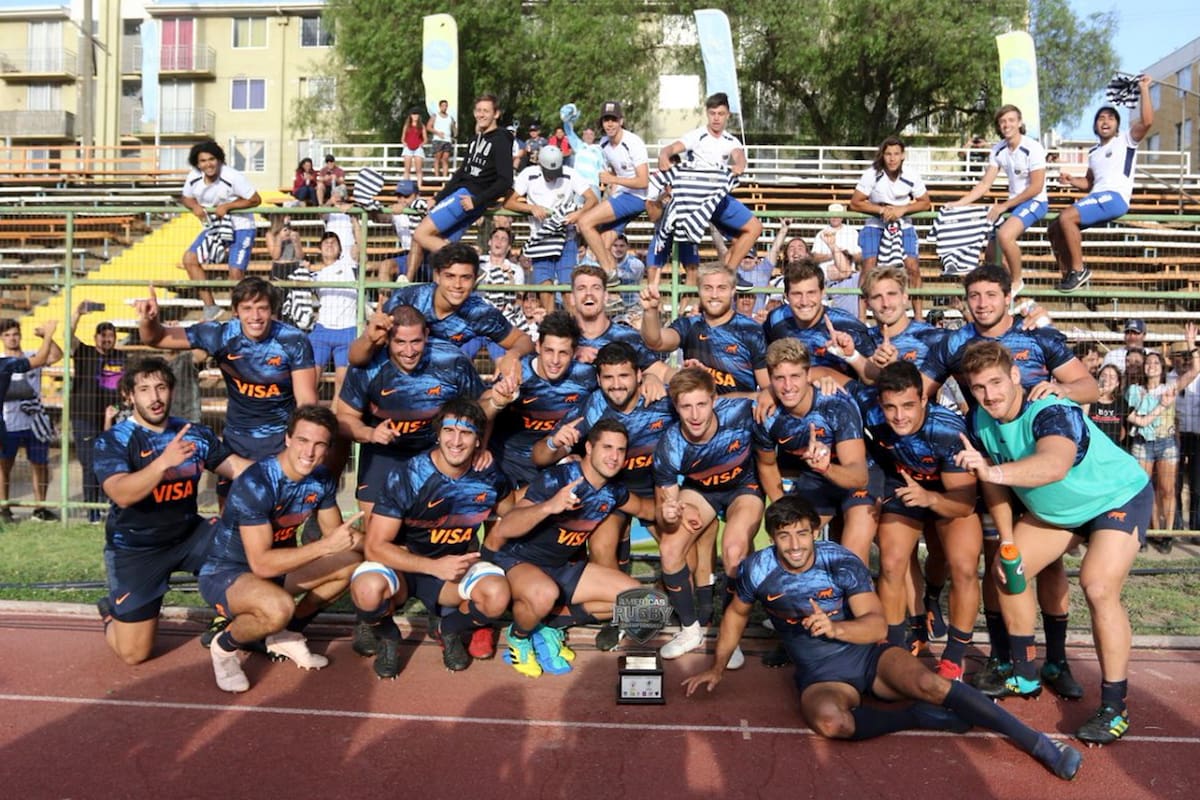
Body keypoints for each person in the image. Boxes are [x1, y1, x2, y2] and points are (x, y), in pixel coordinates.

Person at [681, 494, 1083, 781]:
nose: (795, 545)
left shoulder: (840, 560)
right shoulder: (757, 567)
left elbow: (875, 623)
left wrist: (836, 628)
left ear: (815, 531)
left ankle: (1042, 746)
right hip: (822, 676)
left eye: (802, 534)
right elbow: (735, 613)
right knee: (830, 723)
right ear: (772, 537)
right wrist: (717, 666)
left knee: (932, 682)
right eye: (784, 536)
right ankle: (913, 716)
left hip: (868, 658)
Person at [957, 340, 1150, 745]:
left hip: (1115, 497)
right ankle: (1024, 673)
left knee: (1097, 586)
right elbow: (992, 486)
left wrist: (992, 474)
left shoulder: (1051, 409)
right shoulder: (980, 419)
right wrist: (1008, 540)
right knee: (1008, 570)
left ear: (1015, 376)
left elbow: (1054, 464)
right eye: (979, 387)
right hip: (1058, 512)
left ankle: (1115, 705)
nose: (990, 394)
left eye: (996, 382)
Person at [920, 264, 1096, 700]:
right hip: (990, 459)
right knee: (998, 553)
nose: (982, 303)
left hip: (1040, 465)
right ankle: (1004, 657)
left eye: (990, 294)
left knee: (1051, 566)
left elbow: (1088, 386)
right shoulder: (954, 343)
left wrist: (1057, 389)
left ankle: (1056, 659)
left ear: (1007, 297)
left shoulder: (1039, 336)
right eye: (974, 295)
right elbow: (921, 391)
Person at [92, 358, 251, 664]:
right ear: (129, 396)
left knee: (251, 545)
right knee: (134, 655)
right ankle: (111, 614)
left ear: (172, 391)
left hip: (189, 536)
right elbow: (121, 494)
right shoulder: (114, 440)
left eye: (161, 387)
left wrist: (288, 473)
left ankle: (232, 620)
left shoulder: (195, 433)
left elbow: (241, 470)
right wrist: (163, 462)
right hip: (136, 549)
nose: (155, 397)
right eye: (145, 389)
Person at [198, 405, 364, 693]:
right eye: (302, 440)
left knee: (351, 562)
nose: (309, 452)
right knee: (278, 607)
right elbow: (261, 564)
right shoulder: (257, 482)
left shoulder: (321, 478)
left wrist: (393, 549)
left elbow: (336, 534)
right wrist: (326, 546)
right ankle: (224, 647)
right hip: (228, 574)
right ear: (287, 439)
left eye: (319, 444)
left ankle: (284, 634)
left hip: (277, 572)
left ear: (327, 449)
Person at [352, 398, 514, 677]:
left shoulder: (489, 475)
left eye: (466, 433)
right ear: (437, 434)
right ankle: (388, 635)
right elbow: (375, 546)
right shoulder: (409, 474)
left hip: (451, 573)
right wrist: (433, 566)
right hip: (403, 568)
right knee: (367, 588)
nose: (456, 440)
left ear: (478, 441)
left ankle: (447, 630)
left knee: (497, 594)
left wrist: (489, 552)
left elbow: (509, 516)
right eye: (449, 431)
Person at [485, 418, 650, 677]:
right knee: (543, 593)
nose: (614, 457)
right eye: (607, 447)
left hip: (560, 568)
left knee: (638, 601)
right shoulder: (557, 478)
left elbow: (646, 509)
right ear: (589, 449)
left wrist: (676, 509)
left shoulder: (614, 490)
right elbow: (506, 526)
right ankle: (519, 637)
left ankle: (548, 623)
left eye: (620, 450)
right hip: (519, 562)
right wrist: (550, 506)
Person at [138, 277, 318, 499]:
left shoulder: (293, 340)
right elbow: (157, 338)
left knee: (276, 518)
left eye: (262, 308)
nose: (255, 316)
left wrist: (298, 443)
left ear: (272, 310)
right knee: (230, 516)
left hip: (279, 440)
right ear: (236, 311)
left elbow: (307, 402)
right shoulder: (220, 335)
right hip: (236, 441)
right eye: (247, 308)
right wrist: (149, 320)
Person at [866, 361, 982, 680]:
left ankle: (953, 658)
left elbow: (963, 503)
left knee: (962, 566)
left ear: (924, 400)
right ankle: (891, 647)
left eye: (907, 405)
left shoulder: (949, 429)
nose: (899, 416)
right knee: (891, 562)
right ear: (880, 404)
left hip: (950, 492)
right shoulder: (871, 416)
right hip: (903, 486)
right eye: (890, 407)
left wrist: (930, 498)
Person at [654, 368, 763, 663]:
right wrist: (669, 512)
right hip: (701, 490)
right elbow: (668, 509)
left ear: (714, 400)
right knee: (669, 547)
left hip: (744, 486)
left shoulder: (739, 411)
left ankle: (730, 634)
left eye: (701, 404)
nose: (695, 414)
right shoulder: (669, 444)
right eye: (686, 406)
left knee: (734, 550)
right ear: (675, 407)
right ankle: (690, 630)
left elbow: (770, 396)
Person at [338, 304, 484, 522]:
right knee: (375, 535)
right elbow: (343, 418)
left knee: (439, 533)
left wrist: (482, 447)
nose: (409, 351)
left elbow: (480, 409)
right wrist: (370, 434)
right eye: (400, 342)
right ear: (387, 339)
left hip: (435, 453)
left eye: (416, 341)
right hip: (384, 453)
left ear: (426, 335)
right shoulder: (367, 367)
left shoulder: (452, 361)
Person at [362, 242, 534, 380]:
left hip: (444, 384)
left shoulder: (479, 312)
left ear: (475, 279)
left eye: (465, 277)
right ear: (437, 276)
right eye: (450, 276)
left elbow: (523, 340)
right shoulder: (408, 299)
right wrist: (368, 340)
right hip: (396, 381)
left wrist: (513, 355)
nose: (457, 285)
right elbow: (358, 355)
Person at [1050, 75, 1154, 292]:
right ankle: (1068, 273)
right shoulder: (1093, 152)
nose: (1105, 121)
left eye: (1110, 118)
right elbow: (1089, 183)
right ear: (1095, 126)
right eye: (1100, 118)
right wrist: (1070, 180)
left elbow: (1147, 122)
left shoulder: (1126, 140)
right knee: (1054, 228)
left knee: (1067, 217)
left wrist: (1144, 88)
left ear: (1117, 125)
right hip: (1097, 195)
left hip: (1115, 197)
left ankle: (1079, 271)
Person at [650, 92, 763, 277]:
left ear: (727, 115)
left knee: (743, 237)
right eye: (712, 113)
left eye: (720, 113)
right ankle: (729, 276)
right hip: (694, 200)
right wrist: (663, 155)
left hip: (716, 198)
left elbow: (739, 156)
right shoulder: (697, 136)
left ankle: (725, 276)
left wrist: (740, 165)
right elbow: (671, 148)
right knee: (754, 228)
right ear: (707, 114)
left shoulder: (731, 141)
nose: (716, 118)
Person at [486, 311, 597, 489]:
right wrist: (482, 450)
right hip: (509, 464)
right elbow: (486, 414)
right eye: (549, 350)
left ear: (574, 352)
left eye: (563, 353)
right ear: (538, 347)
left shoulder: (586, 377)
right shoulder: (518, 373)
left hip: (553, 462)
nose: (554, 360)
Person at [947, 105, 1048, 295]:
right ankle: (1007, 293)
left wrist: (1004, 205)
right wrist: (959, 203)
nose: (1006, 125)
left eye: (1011, 120)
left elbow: (1036, 187)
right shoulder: (998, 149)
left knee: (1005, 236)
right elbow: (985, 184)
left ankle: (1017, 281)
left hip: (1035, 201)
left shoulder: (1032, 147)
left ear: (1019, 123)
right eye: (1002, 121)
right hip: (1014, 203)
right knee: (991, 255)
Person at [411, 94, 514, 271]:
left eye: (486, 111)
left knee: (421, 234)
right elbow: (461, 172)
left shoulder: (501, 138)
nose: (481, 114)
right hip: (464, 197)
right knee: (442, 249)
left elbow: (505, 180)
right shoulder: (475, 139)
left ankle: (470, 264)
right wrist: (438, 197)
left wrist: (477, 200)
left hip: (469, 198)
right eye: (479, 110)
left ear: (496, 114)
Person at [641, 262, 767, 395]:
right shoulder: (689, 325)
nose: (714, 295)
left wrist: (726, 401)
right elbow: (656, 342)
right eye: (707, 288)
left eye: (721, 288)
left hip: (738, 413)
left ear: (733, 291)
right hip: (695, 412)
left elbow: (766, 389)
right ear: (699, 290)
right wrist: (650, 310)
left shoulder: (751, 330)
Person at [504, 144, 598, 313]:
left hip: (566, 238)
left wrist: (579, 213)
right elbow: (509, 201)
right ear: (540, 166)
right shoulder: (528, 175)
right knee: (545, 289)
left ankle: (574, 330)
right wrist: (531, 208)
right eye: (549, 173)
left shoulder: (569, 173)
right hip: (541, 238)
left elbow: (591, 199)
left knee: (567, 290)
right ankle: (551, 329)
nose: (553, 177)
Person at [179, 141, 262, 321]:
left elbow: (255, 199)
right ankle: (210, 308)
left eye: (212, 159)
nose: (208, 164)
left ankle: (238, 317)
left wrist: (229, 206)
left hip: (241, 228)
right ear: (197, 163)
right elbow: (186, 197)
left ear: (219, 160)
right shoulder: (193, 177)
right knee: (189, 259)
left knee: (235, 274)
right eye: (203, 161)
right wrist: (194, 206)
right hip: (215, 227)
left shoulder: (233, 176)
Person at [850, 137, 931, 318]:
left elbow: (926, 202)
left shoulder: (911, 174)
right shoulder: (872, 174)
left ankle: (918, 317)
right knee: (868, 266)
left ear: (903, 155)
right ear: (883, 155)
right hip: (875, 224)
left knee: (913, 267)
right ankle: (861, 318)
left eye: (896, 154)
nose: (892, 158)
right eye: (888, 154)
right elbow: (855, 203)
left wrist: (903, 209)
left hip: (903, 225)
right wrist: (881, 210)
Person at [575, 101, 652, 281]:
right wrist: (610, 184)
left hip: (637, 196)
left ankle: (610, 272)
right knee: (600, 245)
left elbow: (643, 181)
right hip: (622, 195)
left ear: (621, 121)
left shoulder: (633, 142)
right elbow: (614, 170)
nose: (609, 124)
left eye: (613, 120)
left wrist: (613, 179)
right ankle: (614, 293)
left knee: (585, 222)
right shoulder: (603, 144)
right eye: (606, 120)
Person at [762, 259, 873, 380]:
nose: (804, 302)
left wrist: (852, 357)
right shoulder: (776, 318)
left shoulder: (847, 325)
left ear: (822, 293)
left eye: (811, 293)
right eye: (797, 294)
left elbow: (871, 379)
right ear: (786, 295)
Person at [68, 304, 126, 524]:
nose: (106, 340)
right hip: (84, 418)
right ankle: (92, 512)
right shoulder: (84, 352)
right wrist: (78, 314)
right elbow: (68, 336)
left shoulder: (121, 357)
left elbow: (124, 387)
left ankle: (108, 506)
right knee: (89, 464)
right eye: (103, 336)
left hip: (112, 420)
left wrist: (118, 411)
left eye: (110, 336)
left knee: (111, 463)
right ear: (95, 338)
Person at [0, 320, 62, 522]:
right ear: (2, 338)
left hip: (35, 423)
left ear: (21, 335)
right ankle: (4, 508)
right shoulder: (2, 362)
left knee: (40, 465)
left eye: (15, 334)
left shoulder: (31, 355)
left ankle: (40, 508)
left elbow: (56, 356)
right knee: (4, 467)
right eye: (7, 335)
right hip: (9, 423)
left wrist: (46, 336)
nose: (12, 338)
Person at [1126, 350, 1185, 552]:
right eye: (1148, 362)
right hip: (1142, 443)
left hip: (1166, 442)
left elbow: (1194, 372)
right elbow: (1132, 416)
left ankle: (1167, 534)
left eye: (1156, 363)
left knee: (1167, 490)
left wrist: (1191, 346)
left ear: (1162, 368)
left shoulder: (1169, 388)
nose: (1151, 365)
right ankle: (1148, 531)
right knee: (1145, 490)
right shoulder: (1135, 390)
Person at [309, 231, 359, 410]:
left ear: (340, 249)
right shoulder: (316, 275)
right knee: (310, 380)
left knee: (342, 382)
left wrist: (354, 220)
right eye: (325, 242)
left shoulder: (348, 265)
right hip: (322, 330)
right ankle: (308, 419)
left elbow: (360, 247)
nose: (329, 245)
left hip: (347, 330)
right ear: (320, 249)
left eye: (333, 242)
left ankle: (334, 422)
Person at [810, 204, 861, 317]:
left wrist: (847, 254)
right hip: (826, 278)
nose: (835, 217)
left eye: (838, 215)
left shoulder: (852, 232)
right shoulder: (821, 233)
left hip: (847, 278)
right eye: (832, 215)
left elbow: (859, 256)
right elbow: (815, 257)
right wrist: (835, 254)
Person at [427, 99, 457, 179]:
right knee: (437, 159)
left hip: (447, 140)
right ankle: (437, 177)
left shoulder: (450, 117)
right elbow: (428, 127)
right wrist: (437, 133)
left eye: (446, 106)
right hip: (438, 140)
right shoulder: (435, 116)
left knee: (445, 159)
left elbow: (454, 128)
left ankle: (444, 178)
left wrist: (455, 133)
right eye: (443, 106)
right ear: (440, 107)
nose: (444, 107)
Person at [401, 109, 427, 185]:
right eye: (413, 114)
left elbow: (425, 139)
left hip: (418, 148)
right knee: (407, 170)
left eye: (416, 114)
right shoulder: (407, 126)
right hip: (408, 148)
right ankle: (406, 186)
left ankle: (419, 187)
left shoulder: (421, 126)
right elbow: (402, 138)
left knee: (418, 170)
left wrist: (422, 144)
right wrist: (404, 143)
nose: (415, 116)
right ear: (410, 116)